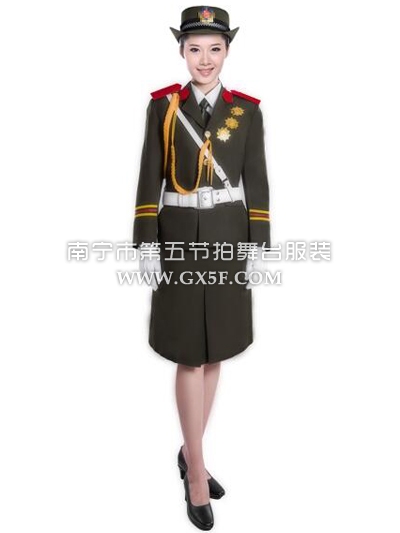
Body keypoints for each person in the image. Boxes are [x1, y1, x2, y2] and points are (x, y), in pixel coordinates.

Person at [132, 6, 271, 530]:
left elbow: (256, 178)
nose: (205, 60)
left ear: (227, 51)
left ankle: (190, 450)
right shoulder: (164, 107)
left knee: (216, 352)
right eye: (195, 49)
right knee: (189, 354)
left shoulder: (247, 111)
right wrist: (146, 243)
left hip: (229, 240)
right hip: (179, 244)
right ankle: (195, 471)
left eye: (215, 49)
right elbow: (149, 174)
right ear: (182, 52)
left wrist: (258, 244)